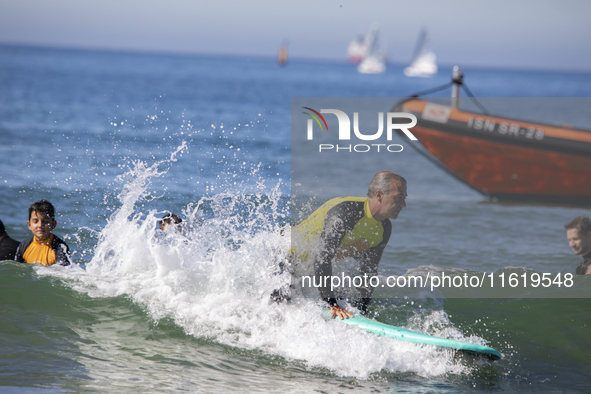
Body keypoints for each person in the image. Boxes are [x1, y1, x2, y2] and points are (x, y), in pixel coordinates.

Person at [292, 170, 407, 319]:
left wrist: (363, 309)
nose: (403, 204)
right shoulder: (346, 213)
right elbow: (322, 259)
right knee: (284, 304)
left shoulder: (384, 228)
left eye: (404, 198)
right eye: (398, 197)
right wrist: (332, 304)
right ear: (379, 195)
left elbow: (368, 271)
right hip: (286, 261)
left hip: (309, 271)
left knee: (344, 301)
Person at [14, 200, 71, 266]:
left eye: (45, 222)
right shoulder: (23, 246)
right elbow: (17, 271)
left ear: (53, 224)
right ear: (29, 225)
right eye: (35, 221)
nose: (40, 225)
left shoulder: (60, 247)